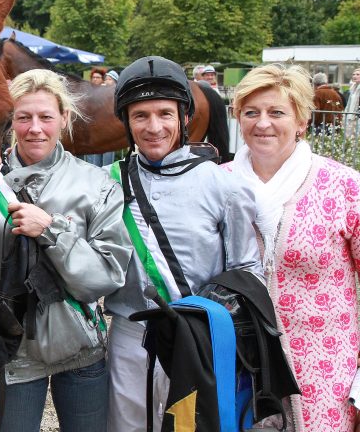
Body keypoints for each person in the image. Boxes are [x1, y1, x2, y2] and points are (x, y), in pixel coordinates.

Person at [105, 55, 262, 432]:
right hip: (130, 336)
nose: (153, 126)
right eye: (140, 115)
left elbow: (246, 271)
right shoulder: (106, 183)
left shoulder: (224, 186)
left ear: (184, 117)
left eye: (164, 113)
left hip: (197, 339)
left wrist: (206, 321)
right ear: (126, 122)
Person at [0, 68, 131, 431]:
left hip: (80, 349)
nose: (35, 129)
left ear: (64, 117)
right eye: (24, 117)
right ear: (10, 120)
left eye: (46, 117)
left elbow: (106, 276)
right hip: (8, 351)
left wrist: (51, 230)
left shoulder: (96, 184)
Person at [225, 64, 360, 431]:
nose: (262, 123)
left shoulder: (344, 186)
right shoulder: (217, 184)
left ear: (301, 121)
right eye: (251, 113)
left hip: (324, 365)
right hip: (237, 361)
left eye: (276, 112)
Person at [345, 67, 360, 135]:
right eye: (353, 74)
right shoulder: (352, 88)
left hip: (357, 117)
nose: (355, 76)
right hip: (350, 116)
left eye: (357, 74)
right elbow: (349, 103)